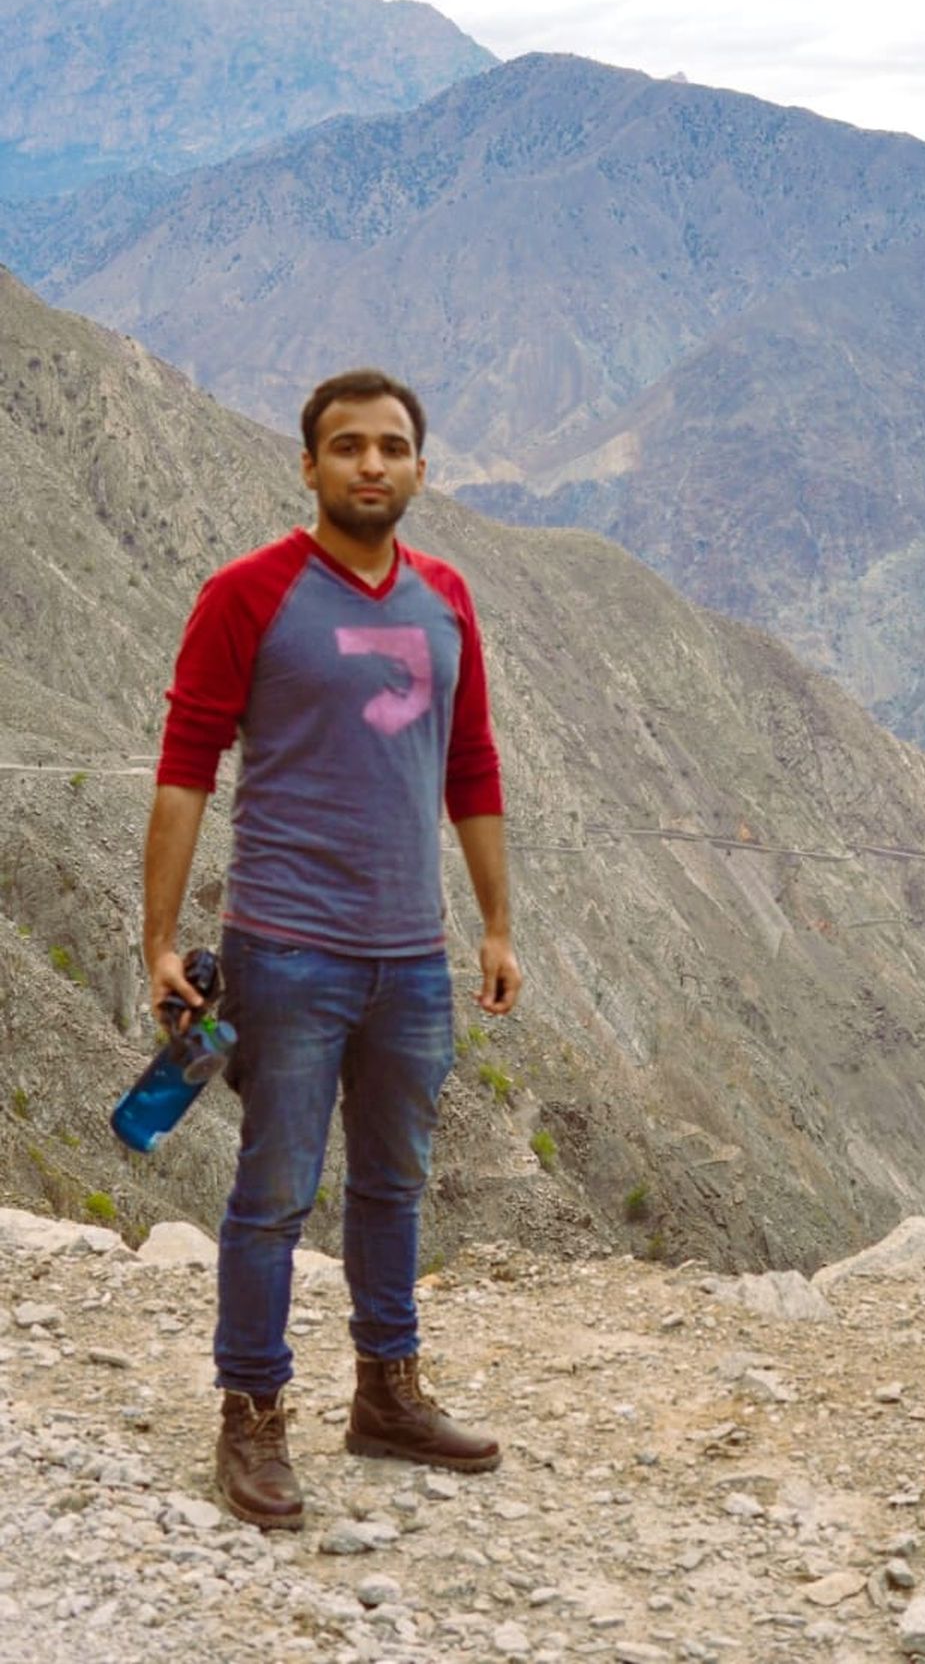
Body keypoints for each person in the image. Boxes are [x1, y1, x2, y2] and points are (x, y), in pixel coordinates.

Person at [143, 368, 521, 1530]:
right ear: (308, 464)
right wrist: (157, 936)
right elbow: (185, 767)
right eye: (347, 445)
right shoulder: (247, 594)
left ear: (419, 468)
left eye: (391, 446)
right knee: (274, 1193)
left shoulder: (446, 598)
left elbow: (470, 763)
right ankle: (251, 1414)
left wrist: (496, 923)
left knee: (394, 1182)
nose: (371, 463)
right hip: (286, 945)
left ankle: (386, 1395)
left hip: (411, 955)